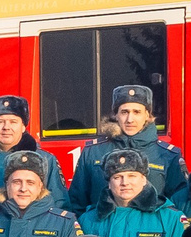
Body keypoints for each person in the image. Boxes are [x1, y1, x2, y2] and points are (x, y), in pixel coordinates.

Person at [66, 83, 181, 215]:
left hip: (151, 227)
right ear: (116, 115)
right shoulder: (93, 152)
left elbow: (178, 204)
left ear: (147, 115)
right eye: (124, 112)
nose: (130, 119)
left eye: (137, 112)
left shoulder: (167, 155)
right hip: (103, 225)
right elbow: (77, 202)